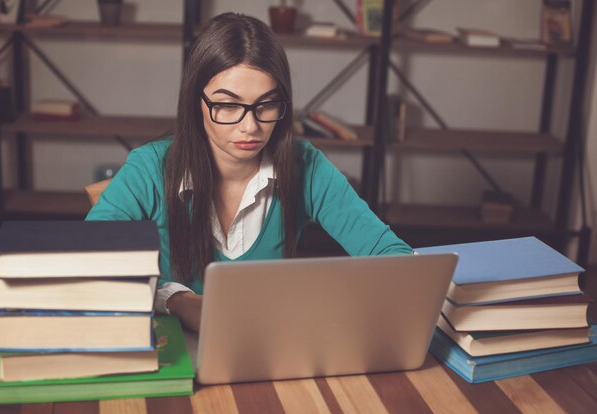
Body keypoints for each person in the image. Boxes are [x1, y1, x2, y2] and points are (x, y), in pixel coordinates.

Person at [86, 12, 412, 332]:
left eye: (266, 105)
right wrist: (176, 300)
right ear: (194, 102)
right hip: (173, 353)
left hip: (267, 347)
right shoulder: (149, 168)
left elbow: (393, 257)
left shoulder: (305, 165)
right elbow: (87, 265)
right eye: (227, 105)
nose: (250, 127)